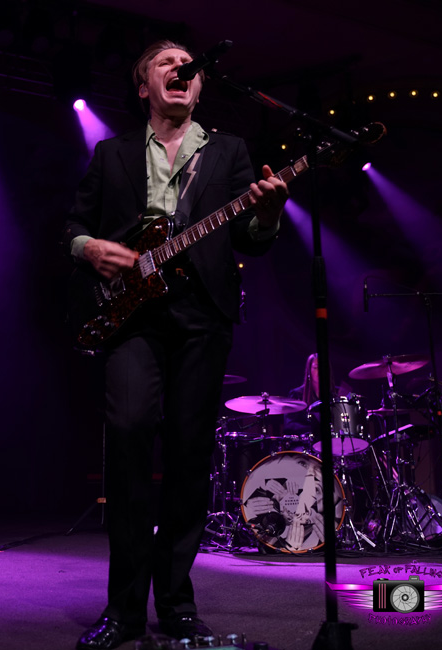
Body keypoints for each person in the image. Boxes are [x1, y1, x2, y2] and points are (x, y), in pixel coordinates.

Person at [62, 41, 289, 649]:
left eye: (189, 66)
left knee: (189, 460)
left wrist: (269, 213)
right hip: (131, 319)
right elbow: (71, 228)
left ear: (198, 89)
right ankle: (124, 610)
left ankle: (178, 603)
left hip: (202, 315)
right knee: (130, 438)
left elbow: (252, 238)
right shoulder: (110, 153)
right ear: (145, 87)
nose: (181, 71)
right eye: (167, 64)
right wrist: (90, 248)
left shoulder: (230, 151)